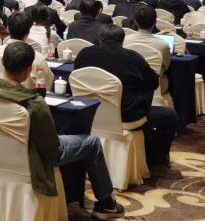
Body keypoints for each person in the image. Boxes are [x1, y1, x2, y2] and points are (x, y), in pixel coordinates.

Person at [0, 42, 125, 216]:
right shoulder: (34, 103)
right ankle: (106, 203)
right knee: (92, 143)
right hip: (31, 158)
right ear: (29, 70)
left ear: (2, 62)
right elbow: (51, 149)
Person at [74, 25, 179, 170]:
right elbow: (153, 83)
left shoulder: (84, 54)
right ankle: (156, 164)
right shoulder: (133, 58)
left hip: (88, 112)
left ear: (99, 39)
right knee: (170, 116)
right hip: (125, 115)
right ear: (123, 41)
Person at [126, 4, 171, 95]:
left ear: (135, 22)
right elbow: (166, 66)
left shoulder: (125, 40)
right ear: (155, 22)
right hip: (155, 87)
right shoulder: (163, 44)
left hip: (129, 84)